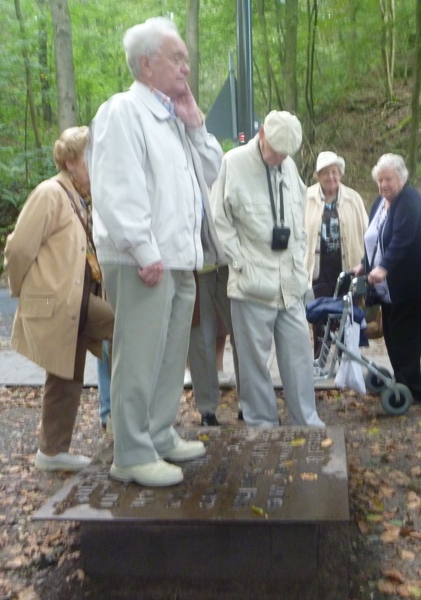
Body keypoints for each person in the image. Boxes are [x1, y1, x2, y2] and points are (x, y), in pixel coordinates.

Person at [88, 16, 224, 486]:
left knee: (169, 355)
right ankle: (130, 451)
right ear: (147, 65)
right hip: (142, 260)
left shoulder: (173, 118)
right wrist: (143, 250)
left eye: (186, 58)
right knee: (139, 355)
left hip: (180, 257)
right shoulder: (123, 112)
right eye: (176, 58)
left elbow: (211, 172)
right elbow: (117, 189)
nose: (187, 67)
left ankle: (159, 433)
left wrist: (196, 125)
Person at [5, 126, 115, 472]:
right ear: (70, 162)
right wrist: (24, 291)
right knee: (124, 327)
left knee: (66, 375)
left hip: (78, 300)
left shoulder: (80, 197)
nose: (97, 165)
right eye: (89, 159)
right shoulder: (50, 193)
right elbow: (18, 249)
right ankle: (125, 423)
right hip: (64, 301)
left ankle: (52, 452)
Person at [212, 110, 324, 428]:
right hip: (251, 282)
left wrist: (300, 265)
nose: (279, 158)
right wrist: (240, 262)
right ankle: (261, 424)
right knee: (253, 363)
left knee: (299, 355)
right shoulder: (233, 163)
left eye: (285, 153)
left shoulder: (289, 167)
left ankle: (306, 419)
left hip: (289, 282)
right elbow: (219, 221)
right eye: (275, 151)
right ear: (261, 134)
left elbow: (299, 222)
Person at [353, 154, 421, 403]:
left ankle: (412, 390)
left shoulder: (409, 200)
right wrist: (365, 264)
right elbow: (374, 238)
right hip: (389, 287)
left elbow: (402, 239)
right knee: (392, 335)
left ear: (401, 178)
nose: (383, 185)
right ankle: (401, 383)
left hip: (414, 283)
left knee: (406, 338)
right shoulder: (380, 203)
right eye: (380, 180)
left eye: (388, 179)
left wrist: (383, 268)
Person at [304, 151, 368, 357]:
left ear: (340, 174)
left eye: (334, 172)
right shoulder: (307, 198)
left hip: (348, 268)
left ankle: (347, 361)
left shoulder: (353, 198)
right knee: (319, 317)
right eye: (325, 172)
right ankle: (319, 359)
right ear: (318, 175)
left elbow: (367, 233)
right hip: (318, 270)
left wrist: (365, 264)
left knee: (347, 318)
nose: (330, 176)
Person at [187, 262, 238, 426]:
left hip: (232, 263)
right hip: (198, 266)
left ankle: (251, 403)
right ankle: (207, 409)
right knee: (201, 338)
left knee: (243, 334)